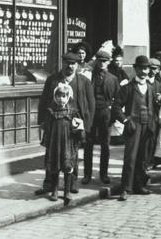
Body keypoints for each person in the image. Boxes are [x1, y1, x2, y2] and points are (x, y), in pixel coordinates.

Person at [36, 52, 95, 195]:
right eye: (67, 63)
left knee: (72, 154)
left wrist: (86, 126)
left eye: (73, 63)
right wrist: (42, 122)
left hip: (74, 124)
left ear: (77, 65)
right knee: (51, 153)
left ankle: (72, 183)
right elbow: (44, 101)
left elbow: (91, 104)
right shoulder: (52, 80)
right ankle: (49, 184)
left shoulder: (83, 82)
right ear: (62, 63)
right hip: (55, 123)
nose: (70, 66)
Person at [114, 55, 158, 200]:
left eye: (146, 68)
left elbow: (156, 108)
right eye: (141, 68)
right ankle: (126, 188)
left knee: (143, 157)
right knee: (131, 157)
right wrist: (126, 120)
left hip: (148, 126)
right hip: (134, 126)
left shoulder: (151, 88)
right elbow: (116, 107)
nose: (144, 71)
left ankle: (139, 185)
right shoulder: (128, 87)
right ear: (135, 69)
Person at [41, 83, 84, 205]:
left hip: (68, 143)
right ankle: (54, 191)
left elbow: (79, 127)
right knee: (55, 166)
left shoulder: (73, 112)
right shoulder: (51, 112)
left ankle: (67, 191)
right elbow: (47, 128)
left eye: (64, 96)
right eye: (58, 96)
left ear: (68, 97)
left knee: (67, 166)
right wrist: (47, 142)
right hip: (55, 143)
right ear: (55, 97)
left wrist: (78, 134)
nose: (61, 99)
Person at [82, 50, 119, 185]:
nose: (102, 63)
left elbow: (118, 99)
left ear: (109, 62)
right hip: (90, 114)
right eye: (100, 61)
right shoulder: (88, 77)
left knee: (105, 145)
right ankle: (87, 174)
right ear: (96, 61)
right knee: (88, 144)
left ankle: (104, 174)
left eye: (105, 61)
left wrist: (112, 113)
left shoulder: (113, 79)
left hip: (105, 113)